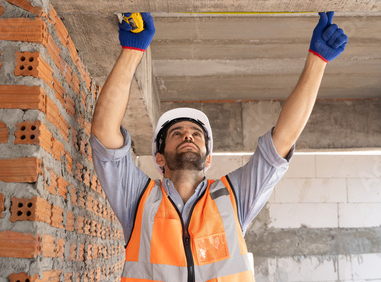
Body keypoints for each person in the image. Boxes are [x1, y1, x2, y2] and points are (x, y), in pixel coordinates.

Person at [90, 11, 347, 282]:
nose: (188, 137)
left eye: (196, 135)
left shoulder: (234, 198)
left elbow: (281, 141)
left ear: (208, 159)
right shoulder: (138, 199)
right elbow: (105, 134)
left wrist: (317, 61)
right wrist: (132, 51)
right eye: (176, 133)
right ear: (160, 158)